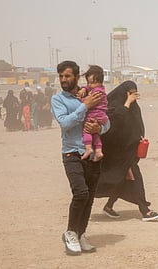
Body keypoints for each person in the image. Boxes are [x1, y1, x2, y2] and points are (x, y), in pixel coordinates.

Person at [51, 60, 109, 255]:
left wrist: (100, 128)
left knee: (90, 197)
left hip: (92, 154)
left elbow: (107, 122)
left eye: (67, 76)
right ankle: (70, 233)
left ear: (77, 77)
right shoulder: (58, 100)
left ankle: (81, 233)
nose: (63, 80)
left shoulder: (94, 94)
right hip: (72, 153)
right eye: (61, 76)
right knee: (81, 193)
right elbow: (65, 123)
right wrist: (84, 107)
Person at [95, 81, 158, 222]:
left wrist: (140, 138)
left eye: (134, 92)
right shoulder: (114, 106)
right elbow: (116, 124)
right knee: (136, 178)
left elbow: (135, 124)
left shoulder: (134, 107)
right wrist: (126, 103)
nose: (133, 96)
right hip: (116, 152)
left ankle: (109, 206)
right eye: (130, 92)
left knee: (121, 179)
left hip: (129, 150)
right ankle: (145, 211)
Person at [79, 65, 108, 161]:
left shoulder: (96, 93)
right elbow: (88, 87)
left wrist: (81, 99)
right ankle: (98, 151)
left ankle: (88, 148)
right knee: (95, 134)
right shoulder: (100, 89)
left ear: (100, 82)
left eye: (92, 83)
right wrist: (84, 88)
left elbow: (87, 102)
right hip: (101, 116)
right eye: (88, 82)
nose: (90, 85)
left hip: (95, 114)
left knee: (86, 130)